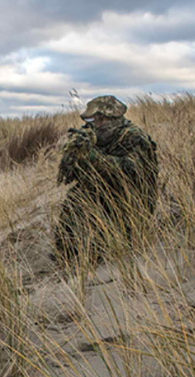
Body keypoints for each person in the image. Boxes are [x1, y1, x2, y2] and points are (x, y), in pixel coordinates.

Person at [54, 95, 158, 264]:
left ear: (114, 119)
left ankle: (101, 253)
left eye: (100, 120)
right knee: (75, 199)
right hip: (102, 193)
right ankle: (68, 252)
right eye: (92, 119)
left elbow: (131, 172)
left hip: (129, 201)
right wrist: (73, 153)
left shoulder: (133, 137)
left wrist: (93, 156)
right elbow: (71, 176)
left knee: (110, 240)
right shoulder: (90, 135)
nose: (95, 124)